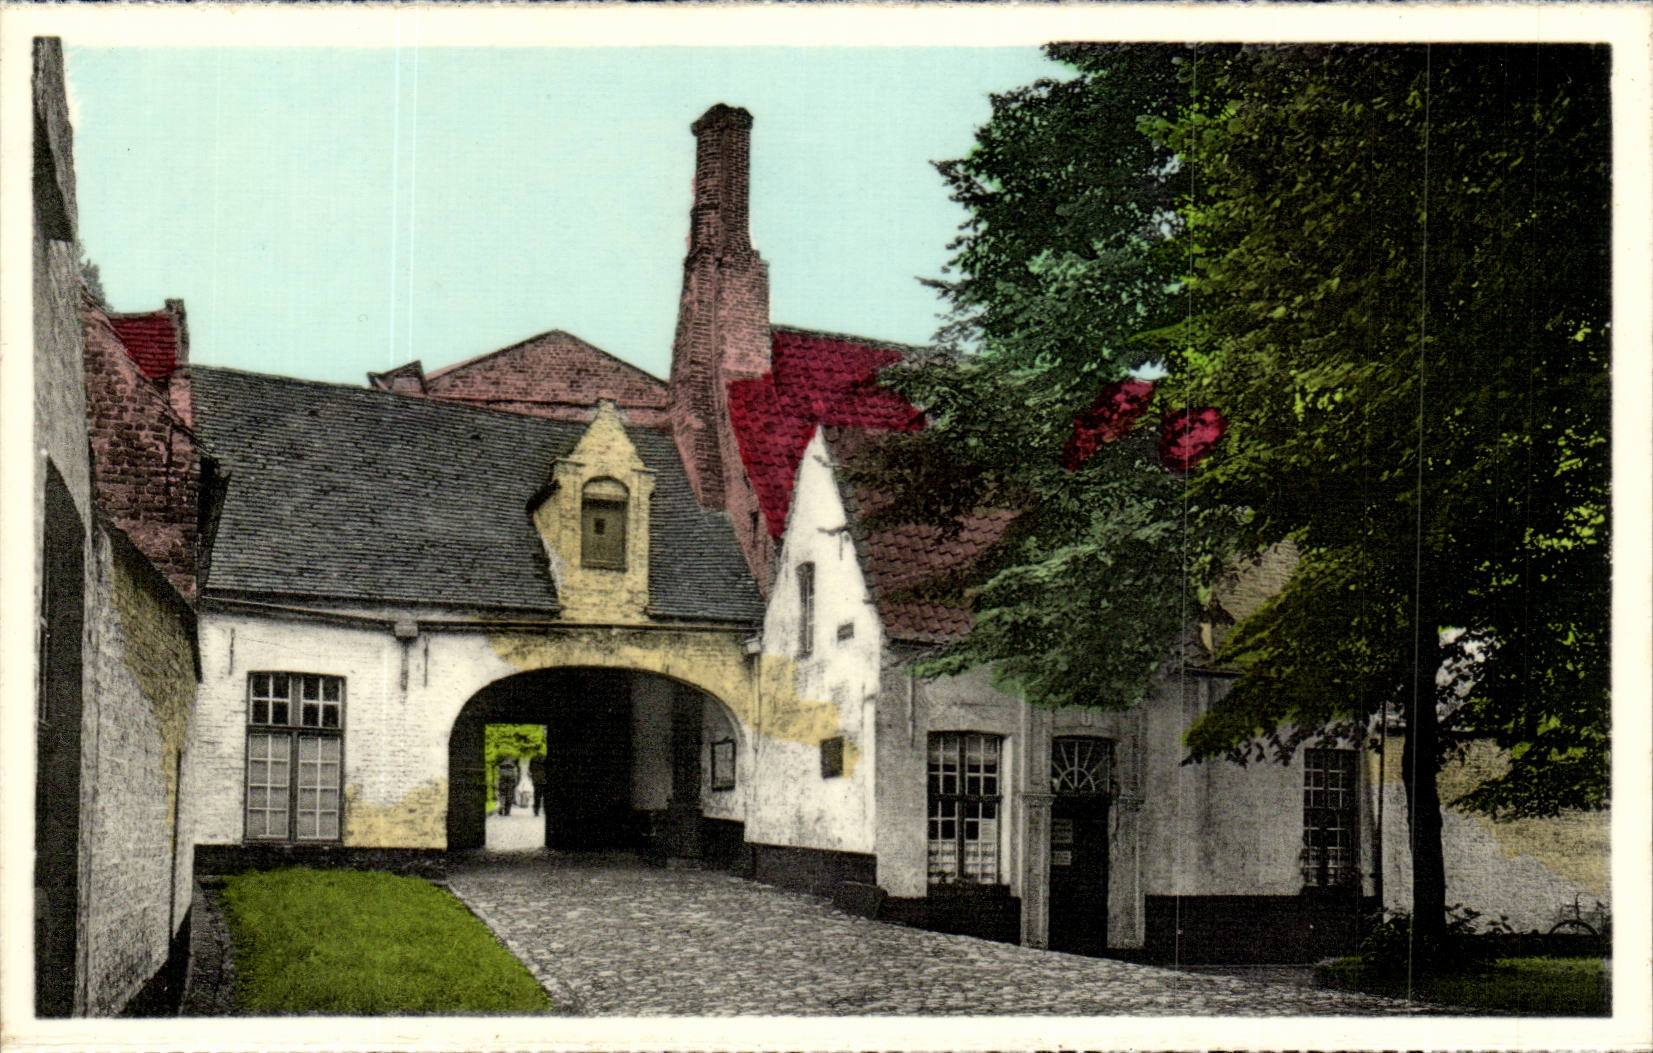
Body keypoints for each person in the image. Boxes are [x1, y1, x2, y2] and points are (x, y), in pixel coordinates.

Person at [529, 752, 548, 817]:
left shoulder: (533, 758)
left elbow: (530, 769)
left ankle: (536, 811)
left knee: (537, 795)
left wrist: (533, 776)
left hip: (536, 779)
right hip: (545, 778)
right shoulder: (545, 757)